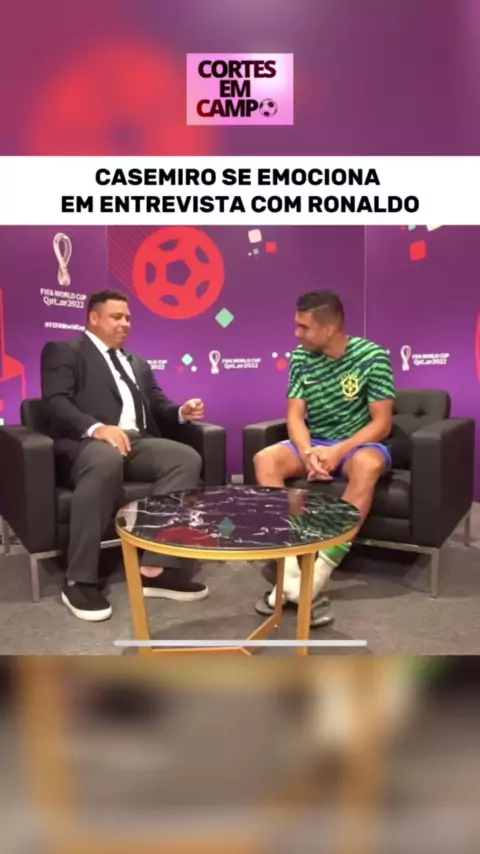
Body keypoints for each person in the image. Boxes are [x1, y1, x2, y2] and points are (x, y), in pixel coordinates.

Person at [41, 289, 208, 623]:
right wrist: (97, 428)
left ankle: (156, 567)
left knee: (186, 459)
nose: (125, 324)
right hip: (87, 443)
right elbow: (55, 401)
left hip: (136, 442)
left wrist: (181, 412)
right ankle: (79, 579)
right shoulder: (65, 351)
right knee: (106, 459)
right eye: (116, 317)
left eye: (128, 318)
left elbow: (158, 405)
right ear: (94, 318)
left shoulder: (136, 362)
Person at [253, 290, 395, 626]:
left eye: (304, 327)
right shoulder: (300, 358)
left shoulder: (373, 356)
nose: (296, 334)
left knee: (368, 465)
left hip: (357, 444)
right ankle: (291, 569)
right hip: (314, 443)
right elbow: (295, 416)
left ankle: (318, 575)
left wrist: (338, 451)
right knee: (265, 459)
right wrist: (308, 453)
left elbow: (382, 423)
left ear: (329, 328)